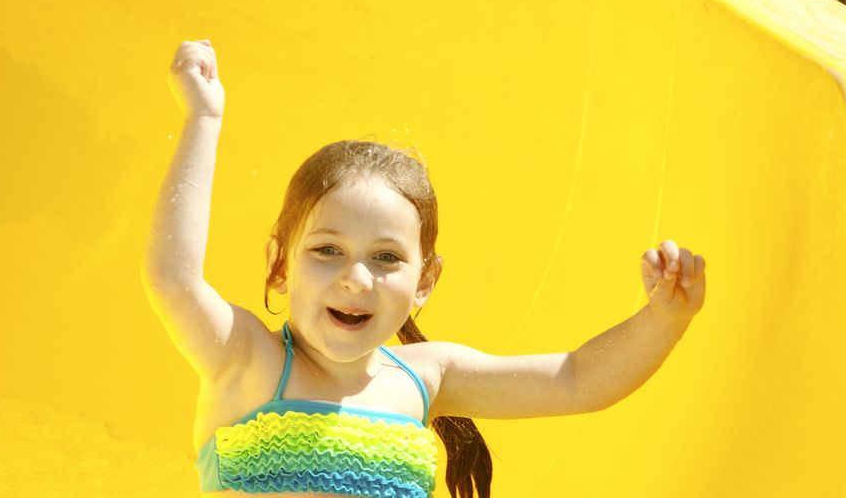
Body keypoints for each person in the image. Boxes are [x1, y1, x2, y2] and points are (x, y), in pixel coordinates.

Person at [147, 40, 707, 498]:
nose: (356, 278)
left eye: (386, 257)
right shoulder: (249, 362)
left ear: (425, 282)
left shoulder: (428, 376)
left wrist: (664, 318)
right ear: (279, 265)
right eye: (327, 250)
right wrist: (204, 118)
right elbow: (174, 280)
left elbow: (578, 380)